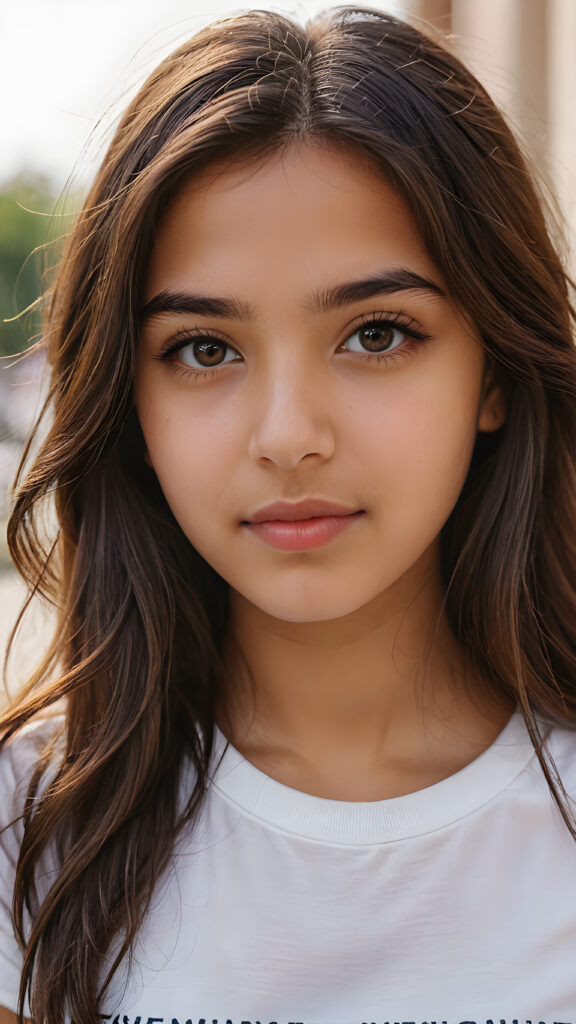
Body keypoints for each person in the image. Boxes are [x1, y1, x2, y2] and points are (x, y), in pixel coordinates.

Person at [1, 5, 576, 1023]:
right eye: (205, 350)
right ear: (131, 405)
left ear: (493, 370)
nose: (287, 435)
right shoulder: (28, 831)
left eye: (377, 334)